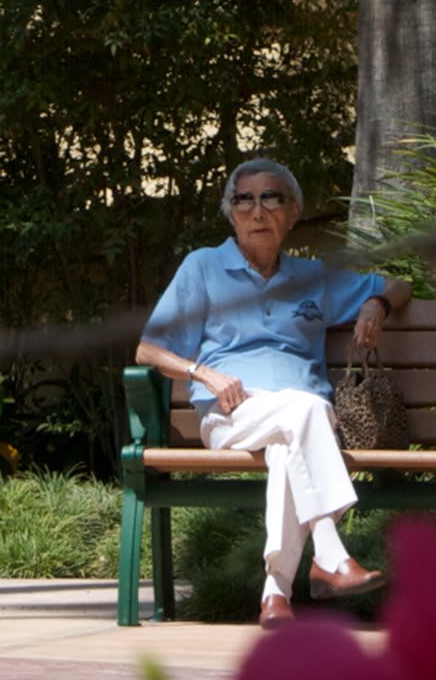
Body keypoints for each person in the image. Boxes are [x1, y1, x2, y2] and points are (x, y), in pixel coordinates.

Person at [133, 155, 412, 624]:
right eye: (243, 200)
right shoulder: (202, 267)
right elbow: (147, 350)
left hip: (302, 424)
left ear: (293, 211)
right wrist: (204, 373)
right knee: (306, 412)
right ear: (230, 212)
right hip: (233, 415)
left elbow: (399, 284)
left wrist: (377, 305)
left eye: (270, 198)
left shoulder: (312, 278)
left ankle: (275, 594)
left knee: (291, 444)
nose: (256, 211)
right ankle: (328, 556)